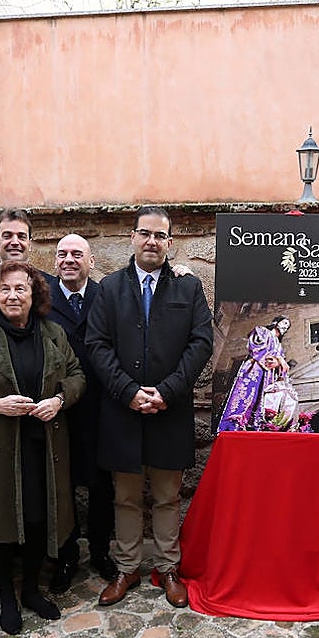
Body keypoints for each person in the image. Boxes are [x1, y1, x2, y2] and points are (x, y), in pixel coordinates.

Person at [86, 206, 213, 609]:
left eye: (160, 236)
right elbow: (97, 345)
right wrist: (128, 392)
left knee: (167, 496)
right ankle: (127, 569)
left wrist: (167, 391)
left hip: (169, 410)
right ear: (133, 237)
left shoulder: (187, 288)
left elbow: (201, 343)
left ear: (170, 242)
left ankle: (169, 569)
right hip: (122, 411)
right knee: (124, 497)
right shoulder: (108, 288)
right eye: (145, 233)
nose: (152, 241)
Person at [0, 262, 85, 633]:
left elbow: (77, 377)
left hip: (43, 446)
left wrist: (58, 400)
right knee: (1, 523)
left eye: (20, 289)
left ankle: (32, 592)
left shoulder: (53, 333)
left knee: (41, 520)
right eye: (4, 290)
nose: (12, 296)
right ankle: (7, 596)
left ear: (34, 294)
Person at [46, 234, 117, 591]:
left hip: (101, 406)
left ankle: (102, 551)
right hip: (58, 409)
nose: (69, 259)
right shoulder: (43, 297)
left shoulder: (106, 294)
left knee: (103, 484)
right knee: (62, 486)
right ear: (54, 262)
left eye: (77, 254)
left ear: (91, 260)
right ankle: (66, 555)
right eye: (62, 254)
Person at [216, 316, 293, 432]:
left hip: (269, 376)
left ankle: (257, 426)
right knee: (248, 395)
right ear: (276, 322)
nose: (285, 327)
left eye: (288, 326)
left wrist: (279, 363)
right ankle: (235, 425)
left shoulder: (279, 346)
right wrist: (278, 359)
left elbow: (282, 366)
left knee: (263, 400)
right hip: (255, 368)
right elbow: (256, 345)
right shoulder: (262, 331)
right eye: (284, 323)